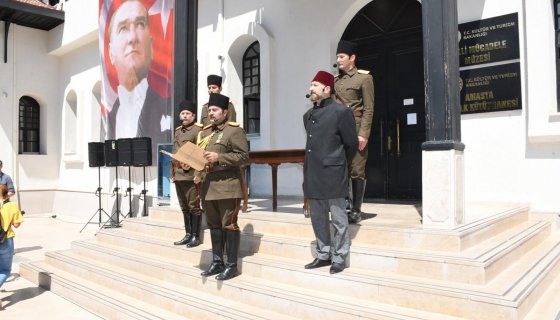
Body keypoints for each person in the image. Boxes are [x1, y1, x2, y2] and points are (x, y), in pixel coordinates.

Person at [303, 71, 358, 274]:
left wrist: (338, 164)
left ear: (327, 89)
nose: (311, 89)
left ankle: (339, 257)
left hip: (334, 173)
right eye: (311, 85)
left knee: (338, 219)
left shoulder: (341, 112)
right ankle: (323, 254)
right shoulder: (307, 116)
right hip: (313, 173)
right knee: (317, 218)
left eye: (315, 85)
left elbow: (351, 145)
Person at [197, 93, 248, 281]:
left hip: (227, 185)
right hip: (208, 186)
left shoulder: (234, 131)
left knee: (229, 224)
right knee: (214, 225)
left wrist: (220, 157)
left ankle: (232, 265)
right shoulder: (205, 133)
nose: (211, 113)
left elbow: (243, 156)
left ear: (225, 112)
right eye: (209, 110)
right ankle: (217, 262)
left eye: (215, 110)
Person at [106, 0, 171, 147]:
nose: (132, 38)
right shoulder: (109, 119)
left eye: (140, 24)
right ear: (110, 52)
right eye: (123, 28)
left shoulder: (168, 109)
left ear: (151, 45)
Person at [334, 40, 374, 224]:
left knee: (357, 169)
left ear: (352, 58)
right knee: (341, 168)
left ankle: (356, 210)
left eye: (342, 57)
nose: (339, 60)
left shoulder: (364, 78)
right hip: (338, 129)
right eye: (337, 57)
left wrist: (364, 133)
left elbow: (369, 108)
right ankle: (344, 206)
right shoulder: (335, 81)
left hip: (356, 126)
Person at [170, 100, 203, 248]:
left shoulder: (197, 130)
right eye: (182, 113)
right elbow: (174, 153)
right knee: (184, 206)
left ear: (193, 115)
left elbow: (200, 153)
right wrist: (171, 172)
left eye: (188, 113)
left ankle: (196, 236)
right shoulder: (177, 131)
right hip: (178, 174)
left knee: (194, 206)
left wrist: (198, 173)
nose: (184, 116)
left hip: (191, 174)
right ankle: (188, 234)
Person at [0, 184, 24, 305]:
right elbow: (16, 225)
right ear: (6, 194)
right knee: (5, 270)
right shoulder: (11, 206)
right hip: (5, 240)